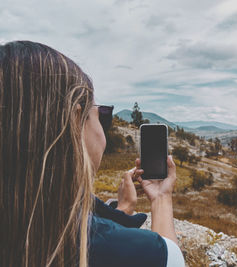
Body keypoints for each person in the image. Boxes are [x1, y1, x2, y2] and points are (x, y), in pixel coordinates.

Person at [0, 40, 185, 267]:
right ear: (75, 121)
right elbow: (171, 258)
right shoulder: (138, 252)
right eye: (102, 115)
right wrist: (161, 198)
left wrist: (121, 211)